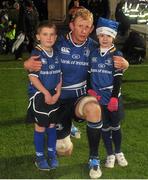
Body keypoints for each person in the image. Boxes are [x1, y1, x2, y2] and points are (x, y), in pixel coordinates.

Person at [24, 9, 129, 179]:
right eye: (80, 26)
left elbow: (114, 57)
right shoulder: (58, 43)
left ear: (92, 28)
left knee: (94, 109)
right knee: (64, 151)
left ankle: (93, 159)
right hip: (59, 99)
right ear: (72, 25)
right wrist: (27, 64)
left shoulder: (94, 47)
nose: (83, 30)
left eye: (87, 27)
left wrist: (126, 63)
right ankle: (67, 129)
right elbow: (37, 58)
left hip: (80, 97)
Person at [89, 17, 128, 170]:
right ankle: (110, 154)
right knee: (104, 127)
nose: (105, 39)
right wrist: (90, 90)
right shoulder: (93, 54)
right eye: (101, 35)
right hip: (98, 98)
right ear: (97, 36)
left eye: (108, 36)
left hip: (113, 98)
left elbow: (118, 78)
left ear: (114, 37)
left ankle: (118, 151)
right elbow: (89, 74)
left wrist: (113, 98)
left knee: (116, 126)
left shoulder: (116, 53)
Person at [26, 21, 62, 171]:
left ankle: (52, 154)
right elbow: (32, 78)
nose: (49, 37)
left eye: (52, 34)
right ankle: (40, 157)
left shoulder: (56, 53)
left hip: (54, 95)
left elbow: (60, 75)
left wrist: (58, 92)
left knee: (52, 126)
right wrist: (46, 93)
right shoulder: (36, 54)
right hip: (40, 96)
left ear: (56, 37)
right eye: (45, 34)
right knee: (41, 127)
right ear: (38, 36)